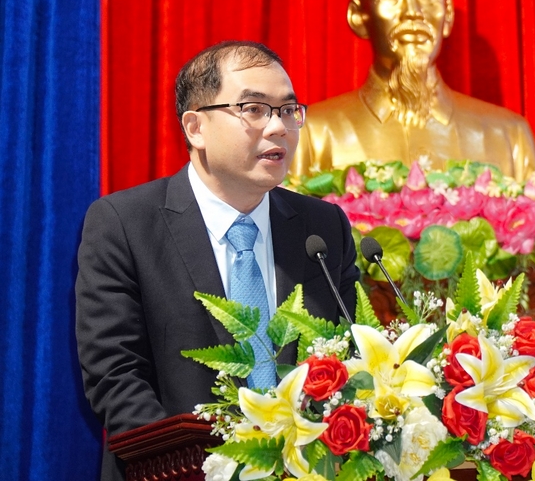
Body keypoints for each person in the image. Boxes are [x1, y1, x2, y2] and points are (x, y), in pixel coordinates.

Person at [75, 41, 358, 481]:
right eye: (254, 109)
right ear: (196, 128)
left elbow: (348, 358)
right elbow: (116, 376)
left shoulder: (322, 228)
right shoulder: (124, 225)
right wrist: (201, 466)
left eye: (288, 110)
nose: (278, 127)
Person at [290, 0, 535, 181]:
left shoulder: (509, 137)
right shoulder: (313, 133)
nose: (413, 12)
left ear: (448, 15)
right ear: (358, 17)